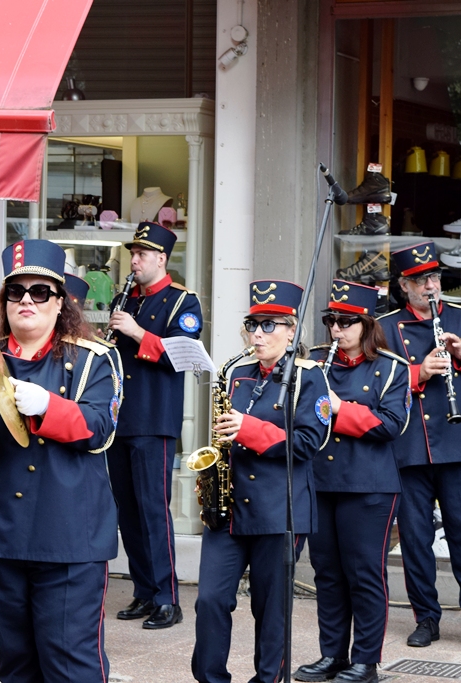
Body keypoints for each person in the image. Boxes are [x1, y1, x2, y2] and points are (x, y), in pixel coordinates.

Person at [0, 239, 122, 682]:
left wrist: (48, 406)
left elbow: (101, 429)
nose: (26, 300)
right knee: (14, 663)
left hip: (68, 536)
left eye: (40, 292)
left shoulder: (95, 359)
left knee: (70, 664)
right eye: (16, 292)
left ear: (61, 303)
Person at [191, 279, 332, 683]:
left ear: (292, 331)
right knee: (210, 601)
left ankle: (268, 679)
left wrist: (249, 429)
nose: (258, 334)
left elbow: (310, 442)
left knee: (271, 610)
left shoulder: (310, 377)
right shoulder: (235, 372)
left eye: (269, 325)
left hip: (279, 508)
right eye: (253, 324)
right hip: (229, 508)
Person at [376, 242, 461, 655]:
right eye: (421, 281)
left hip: (459, 446)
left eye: (434, 279)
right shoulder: (383, 327)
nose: (431, 287)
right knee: (415, 541)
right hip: (409, 449)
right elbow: (373, 387)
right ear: (404, 286)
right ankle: (426, 619)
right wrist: (418, 372)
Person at [295, 280, 410, 683]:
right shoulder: (317, 363)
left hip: (368, 486)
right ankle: (333, 655)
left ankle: (366, 660)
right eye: (331, 321)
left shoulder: (391, 367)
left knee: (364, 573)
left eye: (345, 322)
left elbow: (392, 424)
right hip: (321, 479)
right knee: (326, 572)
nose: (336, 329)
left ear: (365, 324)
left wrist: (341, 409)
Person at [106, 221, 203, 629]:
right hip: (120, 419)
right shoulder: (125, 297)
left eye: (142, 254)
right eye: (133, 254)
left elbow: (181, 355)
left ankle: (168, 597)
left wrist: (135, 331)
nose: (134, 261)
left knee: (153, 511)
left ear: (161, 259)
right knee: (127, 512)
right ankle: (144, 591)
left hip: (153, 419)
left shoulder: (184, 303)